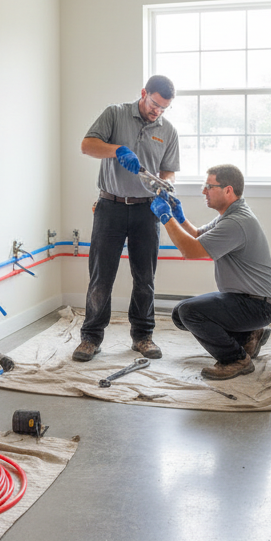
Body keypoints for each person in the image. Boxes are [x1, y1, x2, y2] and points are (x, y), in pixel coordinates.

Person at [74, 75, 180, 362]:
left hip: (147, 210)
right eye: (155, 104)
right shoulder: (115, 114)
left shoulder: (168, 131)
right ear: (144, 93)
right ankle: (91, 338)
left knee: (145, 278)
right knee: (101, 276)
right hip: (111, 206)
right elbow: (87, 145)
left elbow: (169, 171)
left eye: (164, 108)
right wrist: (117, 150)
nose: (157, 111)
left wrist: (165, 185)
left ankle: (143, 336)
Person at [151, 164, 271, 380]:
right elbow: (197, 235)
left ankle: (235, 359)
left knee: (190, 313)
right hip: (249, 300)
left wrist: (166, 218)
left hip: (258, 305)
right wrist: (178, 216)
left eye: (209, 186)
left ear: (228, 190)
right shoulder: (231, 214)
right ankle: (249, 336)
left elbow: (191, 250)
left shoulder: (236, 222)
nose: (204, 191)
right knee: (180, 315)